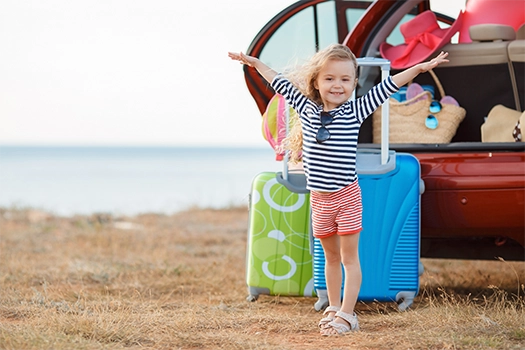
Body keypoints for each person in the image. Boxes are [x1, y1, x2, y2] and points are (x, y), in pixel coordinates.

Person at [229, 44, 449, 336]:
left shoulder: (356, 110)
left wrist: (419, 68)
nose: (337, 85)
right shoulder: (305, 107)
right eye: (330, 78)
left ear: (354, 83)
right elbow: (277, 79)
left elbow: (389, 85)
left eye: (345, 79)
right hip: (319, 200)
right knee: (330, 259)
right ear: (317, 83)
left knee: (349, 258)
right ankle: (334, 307)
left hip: (347, 198)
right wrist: (254, 62)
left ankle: (348, 313)